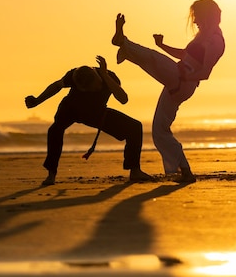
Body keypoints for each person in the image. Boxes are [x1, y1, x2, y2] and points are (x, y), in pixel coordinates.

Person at [111, 0, 225, 183]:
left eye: (197, 16)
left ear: (206, 15)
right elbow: (183, 54)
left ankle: (123, 43)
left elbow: (205, 73)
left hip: (183, 82)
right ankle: (185, 172)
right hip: (178, 79)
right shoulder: (203, 36)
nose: (194, 21)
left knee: (153, 60)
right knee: (159, 130)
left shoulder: (215, 41)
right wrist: (161, 45)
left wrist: (182, 78)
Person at [25, 55, 153, 185]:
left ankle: (135, 170)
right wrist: (37, 100)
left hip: (96, 112)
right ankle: (51, 174)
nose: (96, 89)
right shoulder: (73, 75)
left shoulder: (109, 77)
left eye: (97, 86)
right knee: (55, 129)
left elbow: (123, 99)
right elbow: (57, 86)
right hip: (71, 108)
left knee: (135, 127)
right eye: (91, 89)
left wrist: (105, 75)